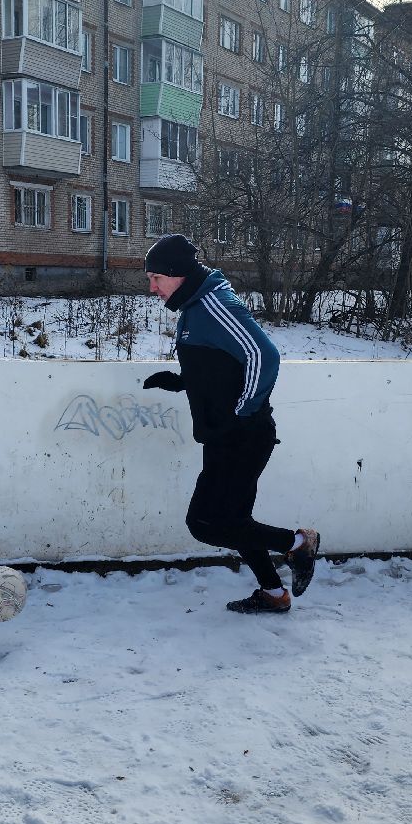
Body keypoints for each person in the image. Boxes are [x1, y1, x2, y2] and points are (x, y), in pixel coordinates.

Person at [141, 234, 321, 613]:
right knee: (236, 520)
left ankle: (298, 545)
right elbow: (221, 362)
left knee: (205, 523)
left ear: (178, 274)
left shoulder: (215, 304)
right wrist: (182, 380)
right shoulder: (192, 306)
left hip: (243, 434)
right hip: (224, 434)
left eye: (157, 278)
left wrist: (243, 411)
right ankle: (273, 593)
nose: (152, 287)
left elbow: (263, 356)